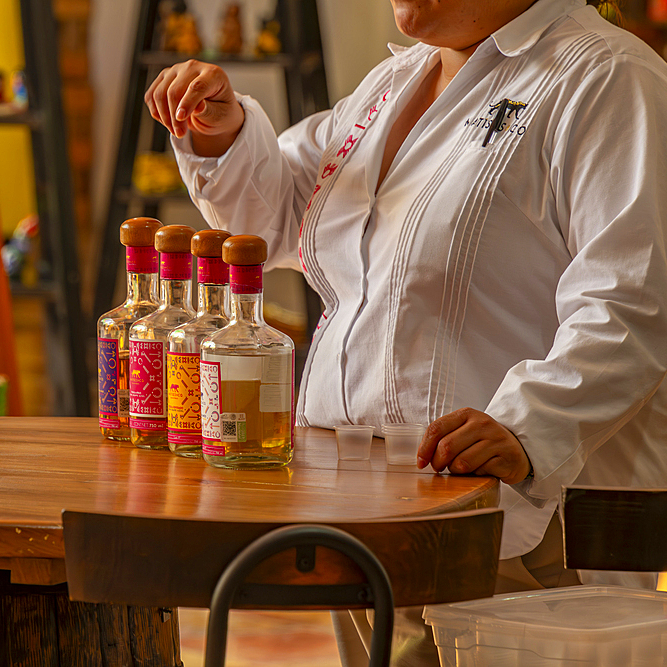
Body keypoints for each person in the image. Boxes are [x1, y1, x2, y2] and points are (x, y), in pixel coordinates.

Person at [145, 0, 667, 663]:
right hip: (361, 524)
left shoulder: (608, 78)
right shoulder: (395, 85)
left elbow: (633, 299)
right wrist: (223, 134)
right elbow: (279, 215)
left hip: (508, 534)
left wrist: (527, 428)